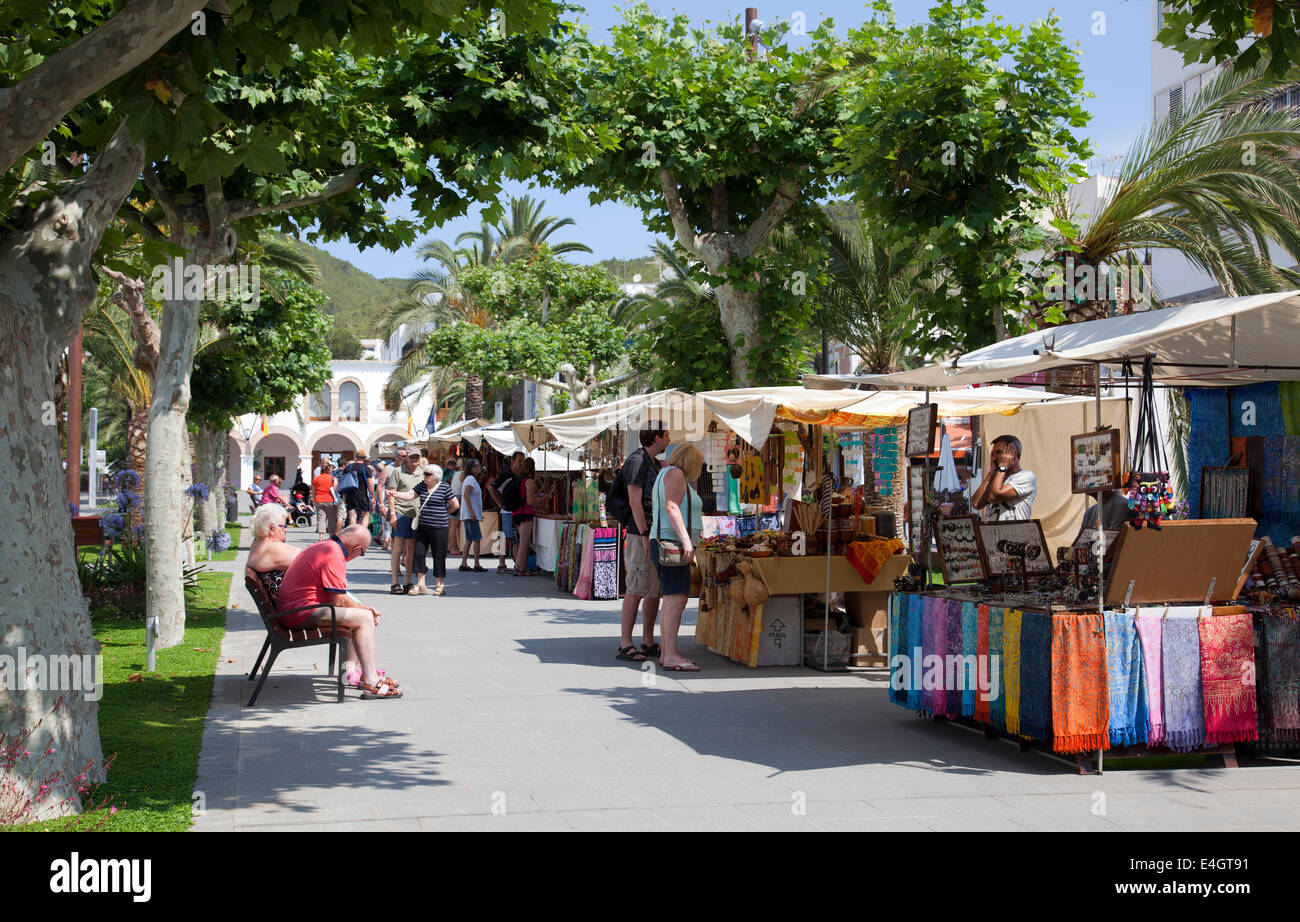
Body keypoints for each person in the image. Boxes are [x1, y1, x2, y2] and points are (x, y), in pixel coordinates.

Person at [276, 524, 401, 699]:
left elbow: (338, 598)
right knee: (364, 618)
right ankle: (371, 681)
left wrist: (361, 608)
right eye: (362, 552)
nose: (359, 556)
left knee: (360, 615)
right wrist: (365, 609)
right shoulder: (333, 554)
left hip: (294, 611)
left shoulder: (326, 546)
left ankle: (359, 672)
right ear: (357, 548)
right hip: (300, 613)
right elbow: (339, 600)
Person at [617, 426, 669, 662]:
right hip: (641, 534)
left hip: (650, 532)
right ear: (656, 438)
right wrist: (645, 533)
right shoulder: (638, 461)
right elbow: (634, 502)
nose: (669, 438)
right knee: (636, 587)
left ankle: (647, 640)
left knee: (652, 587)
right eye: (666, 435)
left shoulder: (652, 462)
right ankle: (625, 643)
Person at [651, 443, 704, 671]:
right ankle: (670, 654)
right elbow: (672, 507)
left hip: (664, 540)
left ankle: (667, 653)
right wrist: (685, 540)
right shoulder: (676, 474)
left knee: (673, 598)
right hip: (671, 542)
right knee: (676, 599)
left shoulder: (665, 472)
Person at [388, 463, 459, 596]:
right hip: (422, 526)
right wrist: (394, 493)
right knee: (419, 554)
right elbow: (409, 495)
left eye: (428, 474)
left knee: (439, 555)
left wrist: (443, 513)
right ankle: (421, 584)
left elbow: (455, 505)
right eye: (424, 473)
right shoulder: (422, 486)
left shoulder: (444, 487)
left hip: (439, 527)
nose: (424, 476)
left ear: (436, 477)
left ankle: (439, 584)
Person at [972, 434, 1037, 522]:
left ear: (1014, 453)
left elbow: (995, 496)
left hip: (1014, 533)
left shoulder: (1026, 476)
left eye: (999, 452)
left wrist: (1003, 466)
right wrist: (991, 473)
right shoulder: (997, 476)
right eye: (993, 454)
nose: (994, 458)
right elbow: (976, 504)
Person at [245, 503, 300, 605]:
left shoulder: (257, 545)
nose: (286, 529)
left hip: (290, 606)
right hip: (298, 608)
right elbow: (311, 560)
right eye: (283, 526)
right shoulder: (271, 549)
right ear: (271, 527)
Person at [386, 449, 423, 594]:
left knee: (411, 548)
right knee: (398, 546)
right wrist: (393, 513)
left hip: (416, 514)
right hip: (401, 512)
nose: (414, 459)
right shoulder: (398, 471)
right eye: (412, 456)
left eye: (417, 457)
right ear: (406, 458)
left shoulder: (422, 472)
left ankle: (408, 581)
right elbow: (391, 493)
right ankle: (395, 582)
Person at [513, 456, 554, 577]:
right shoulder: (529, 481)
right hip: (525, 514)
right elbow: (530, 501)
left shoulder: (518, 479)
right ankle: (520, 569)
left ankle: (518, 567)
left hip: (517, 513)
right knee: (524, 542)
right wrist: (544, 498)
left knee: (522, 542)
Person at [489, 451, 526, 573]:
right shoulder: (507, 475)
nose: (521, 463)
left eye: (523, 461)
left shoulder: (521, 475)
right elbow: (491, 487)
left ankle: (516, 564)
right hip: (508, 511)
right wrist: (501, 504)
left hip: (517, 510)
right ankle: (501, 563)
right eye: (519, 461)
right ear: (513, 461)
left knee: (514, 538)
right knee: (506, 537)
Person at [458, 458, 486, 572]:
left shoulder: (469, 479)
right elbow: (466, 495)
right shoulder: (470, 479)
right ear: (471, 468)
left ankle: (464, 562)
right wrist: (473, 512)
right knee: (476, 538)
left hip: (468, 514)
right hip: (470, 514)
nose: (479, 467)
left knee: (469, 539)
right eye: (477, 465)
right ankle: (476, 563)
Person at [338, 450, 372, 528]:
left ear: (356, 457)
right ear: (364, 458)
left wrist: (345, 496)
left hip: (350, 493)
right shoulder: (366, 468)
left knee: (352, 515)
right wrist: (372, 495)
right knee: (365, 515)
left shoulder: (348, 467)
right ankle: (362, 534)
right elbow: (370, 484)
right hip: (362, 494)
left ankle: (352, 535)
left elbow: (344, 482)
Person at [311, 459, 339, 540]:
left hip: (319, 500)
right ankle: (332, 536)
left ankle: (321, 537)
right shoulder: (332, 478)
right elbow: (335, 489)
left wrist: (314, 499)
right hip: (330, 500)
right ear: (328, 470)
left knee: (320, 519)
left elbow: (313, 491)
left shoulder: (316, 479)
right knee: (331, 519)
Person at [447, 458, 463, 557]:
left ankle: (451, 546)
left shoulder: (456, 473)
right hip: (457, 497)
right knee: (454, 524)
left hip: (452, 496)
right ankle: (453, 547)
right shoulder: (463, 473)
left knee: (452, 524)